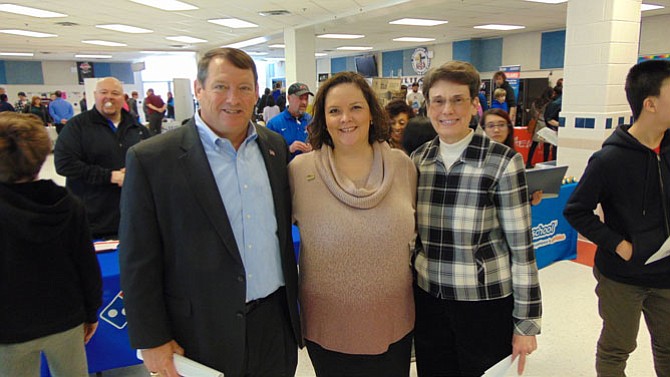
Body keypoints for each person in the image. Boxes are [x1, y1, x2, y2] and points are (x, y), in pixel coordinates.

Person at [118, 47, 301, 377]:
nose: (234, 98)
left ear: (256, 93)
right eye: (220, 86)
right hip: (199, 331)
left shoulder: (273, 147)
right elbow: (138, 259)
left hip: (274, 323)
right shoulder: (153, 159)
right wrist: (151, 339)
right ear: (198, 89)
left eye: (244, 88)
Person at [410, 61, 542, 377]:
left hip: (483, 303)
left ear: (474, 105)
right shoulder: (419, 160)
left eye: (458, 100)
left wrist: (526, 323)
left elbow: (522, 250)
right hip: (430, 299)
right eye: (438, 100)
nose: (447, 110)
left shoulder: (502, 162)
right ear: (427, 106)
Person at [290, 71, 416, 376]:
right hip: (329, 328)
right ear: (323, 118)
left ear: (372, 112)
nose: (346, 118)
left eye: (356, 107)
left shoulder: (403, 166)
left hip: (393, 323)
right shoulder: (299, 172)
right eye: (334, 110)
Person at [564, 59, 670, 377]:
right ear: (650, 104)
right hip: (623, 277)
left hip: (667, 275)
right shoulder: (609, 159)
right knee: (617, 349)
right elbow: (576, 210)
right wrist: (619, 245)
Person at [0, 112, 102, 377]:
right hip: (66, 319)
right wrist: (91, 312)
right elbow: (87, 267)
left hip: (9, 329)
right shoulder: (69, 204)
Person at [54, 77, 150, 239]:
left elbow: (152, 163)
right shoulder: (77, 127)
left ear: (123, 97)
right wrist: (111, 176)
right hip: (93, 220)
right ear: (95, 95)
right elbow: (64, 164)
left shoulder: (137, 129)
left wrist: (137, 172)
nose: (109, 97)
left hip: (133, 217)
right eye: (103, 92)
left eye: (115, 93)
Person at [480, 108, 543, 206]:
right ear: (483, 130)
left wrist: (530, 202)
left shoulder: (514, 158)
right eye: (490, 126)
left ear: (509, 128)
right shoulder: (476, 159)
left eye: (501, 125)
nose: (496, 130)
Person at [267, 82, 314, 158]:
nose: (304, 102)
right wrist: (289, 149)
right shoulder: (274, 124)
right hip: (285, 168)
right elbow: (268, 154)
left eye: (306, 98)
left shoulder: (312, 121)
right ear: (289, 98)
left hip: (308, 168)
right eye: (300, 98)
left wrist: (313, 148)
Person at [526, 87, 554, 168]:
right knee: (546, 146)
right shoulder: (549, 103)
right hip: (545, 125)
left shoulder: (535, 102)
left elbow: (532, 113)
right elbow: (549, 115)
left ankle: (528, 162)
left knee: (534, 145)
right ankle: (545, 163)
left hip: (537, 125)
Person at [543, 85, 562, 161]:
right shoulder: (557, 103)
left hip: (551, 128)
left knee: (550, 147)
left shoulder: (553, 103)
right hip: (555, 129)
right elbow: (549, 119)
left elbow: (548, 118)